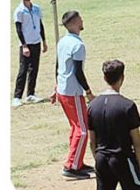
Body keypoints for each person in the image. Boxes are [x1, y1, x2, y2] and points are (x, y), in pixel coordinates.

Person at [50, 10, 96, 179]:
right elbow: (78, 72)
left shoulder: (63, 41)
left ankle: (78, 161)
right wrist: (89, 92)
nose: (82, 21)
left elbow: (58, 65)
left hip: (63, 90)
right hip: (72, 92)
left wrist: (55, 87)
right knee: (82, 130)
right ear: (75, 23)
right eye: (80, 19)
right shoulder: (78, 45)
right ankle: (71, 166)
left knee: (76, 128)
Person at [88, 60, 140, 190]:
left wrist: (97, 160)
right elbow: (137, 141)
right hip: (123, 159)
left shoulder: (92, 106)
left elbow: (92, 141)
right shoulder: (127, 106)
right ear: (122, 78)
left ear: (104, 78)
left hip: (102, 158)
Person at [12, 0, 48, 107]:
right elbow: (18, 29)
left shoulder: (36, 8)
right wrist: (24, 45)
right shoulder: (19, 11)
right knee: (23, 70)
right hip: (26, 43)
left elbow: (40, 24)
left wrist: (44, 41)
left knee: (34, 69)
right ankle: (17, 96)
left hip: (36, 42)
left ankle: (30, 94)